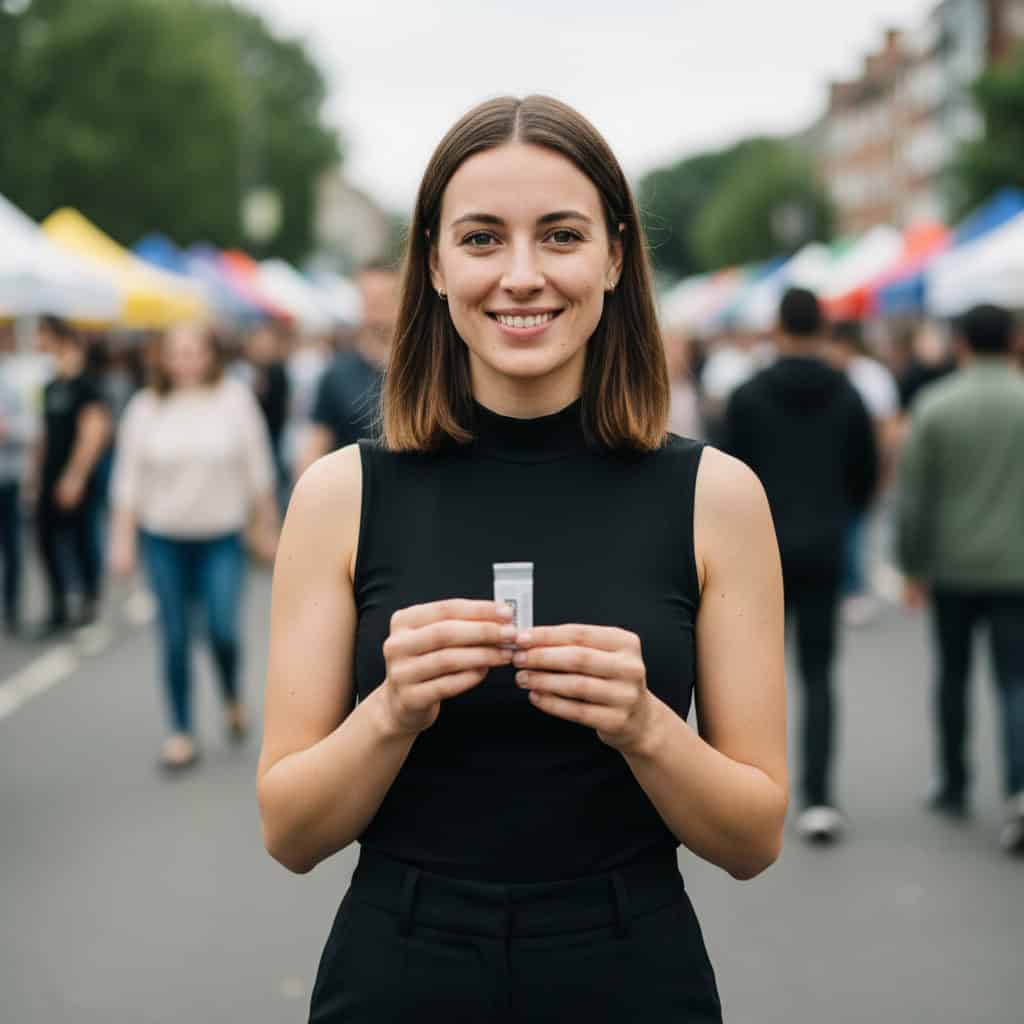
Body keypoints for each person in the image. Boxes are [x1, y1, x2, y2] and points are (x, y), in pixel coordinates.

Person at [258, 95, 787, 1023]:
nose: (523, 275)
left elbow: (753, 838)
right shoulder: (340, 495)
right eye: (481, 239)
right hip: (400, 963)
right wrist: (390, 712)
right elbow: (291, 833)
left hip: (631, 964)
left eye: (561, 235)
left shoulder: (717, 497)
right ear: (433, 264)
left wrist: (645, 726)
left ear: (616, 257)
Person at [723, 287, 877, 844]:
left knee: (750, 676)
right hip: (825, 544)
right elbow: (865, 472)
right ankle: (818, 798)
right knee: (818, 671)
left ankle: (751, 789)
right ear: (823, 326)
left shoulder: (746, 395)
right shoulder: (849, 394)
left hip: (758, 550)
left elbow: (726, 472)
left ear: (778, 327)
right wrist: (842, 517)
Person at [109, 323, 279, 772]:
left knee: (222, 628)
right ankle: (181, 730)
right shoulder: (146, 408)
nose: (185, 360)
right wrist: (122, 540)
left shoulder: (233, 400)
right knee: (175, 635)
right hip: (164, 538)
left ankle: (229, 694)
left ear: (209, 355)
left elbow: (258, 468)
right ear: (162, 358)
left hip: (221, 537)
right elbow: (127, 481)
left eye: (193, 351)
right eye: (176, 352)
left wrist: (267, 527)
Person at [895, 304, 1024, 856]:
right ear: (1014, 340)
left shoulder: (935, 405)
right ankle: (1019, 789)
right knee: (1014, 680)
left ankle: (953, 781)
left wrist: (912, 565)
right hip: (1016, 567)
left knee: (952, 675)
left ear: (961, 343)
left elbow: (915, 499)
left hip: (950, 565)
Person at [31, 316, 112, 637]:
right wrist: (36, 475)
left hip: (75, 478)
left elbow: (94, 433)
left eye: (42, 335)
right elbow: (45, 435)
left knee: (80, 539)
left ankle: (88, 600)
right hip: (50, 475)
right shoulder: (50, 385)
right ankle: (59, 604)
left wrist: (76, 475)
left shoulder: (87, 386)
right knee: (46, 541)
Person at [293, 264, 399, 479]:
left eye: (384, 296)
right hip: (356, 500)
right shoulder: (336, 374)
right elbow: (313, 449)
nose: (375, 305)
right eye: (368, 297)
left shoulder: (426, 371)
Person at [827, 319, 901, 627]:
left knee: (859, 529)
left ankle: (854, 589)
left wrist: (885, 466)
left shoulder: (868, 376)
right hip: (843, 467)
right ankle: (850, 587)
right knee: (854, 528)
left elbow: (887, 426)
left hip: (860, 465)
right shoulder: (856, 376)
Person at [0, 339, 35, 636]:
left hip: (6, 479)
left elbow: (30, 428)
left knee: (11, 547)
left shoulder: (10, 385)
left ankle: (11, 608)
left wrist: (7, 428)